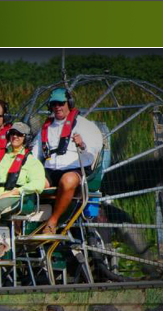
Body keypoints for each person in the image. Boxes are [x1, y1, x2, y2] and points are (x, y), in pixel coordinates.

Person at [31, 88, 103, 234]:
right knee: (34, 183)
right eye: (54, 104)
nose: (57, 107)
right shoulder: (46, 128)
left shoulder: (84, 125)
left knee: (67, 180)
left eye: (60, 103)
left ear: (69, 103)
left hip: (75, 169)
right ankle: (27, 222)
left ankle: (53, 221)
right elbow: (35, 154)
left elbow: (93, 151)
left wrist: (82, 144)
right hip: (51, 170)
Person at [0, 122, 45, 258]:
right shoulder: (0, 156)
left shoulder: (31, 161)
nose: (15, 136)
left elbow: (38, 184)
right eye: (12, 133)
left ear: (26, 138)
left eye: (19, 134)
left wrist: (16, 191)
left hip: (17, 197)